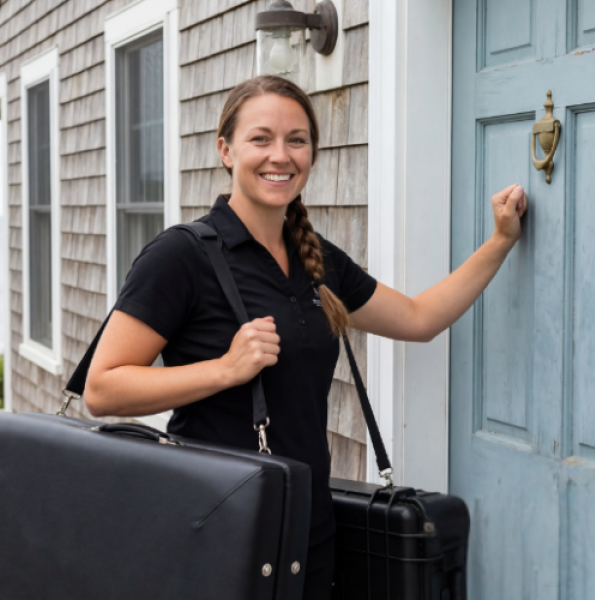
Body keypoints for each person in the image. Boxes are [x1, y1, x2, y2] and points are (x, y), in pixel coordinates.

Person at [84, 75, 528, 599]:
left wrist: (500, 242)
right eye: (261, 138)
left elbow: (418, 319)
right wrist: (224, 369)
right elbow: (103, 389)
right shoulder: (181, 256)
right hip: (217, 524)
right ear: (226, 150)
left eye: (297, 139)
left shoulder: (317, 258)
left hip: (307, 524)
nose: (281, 155)